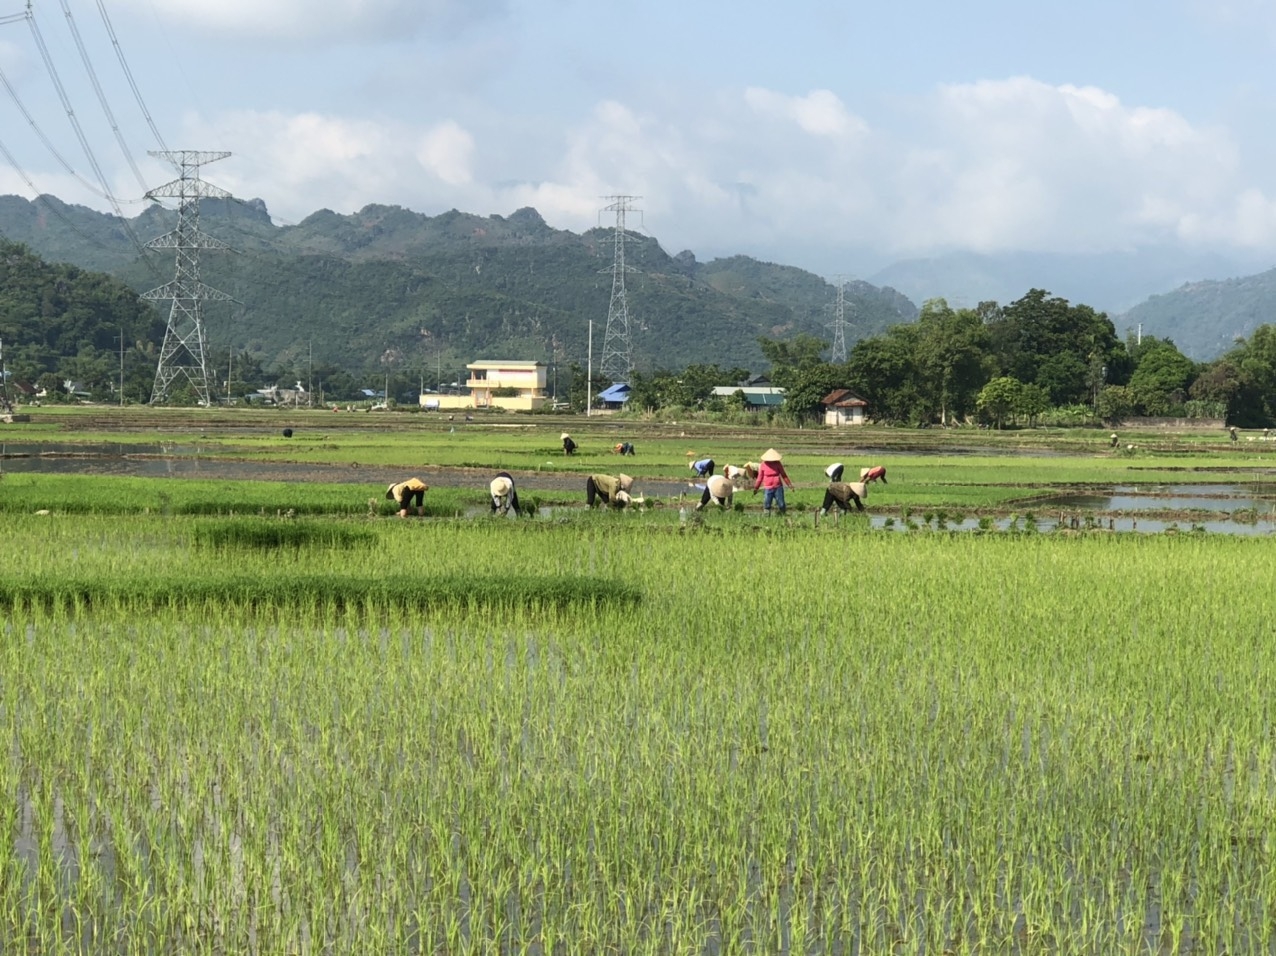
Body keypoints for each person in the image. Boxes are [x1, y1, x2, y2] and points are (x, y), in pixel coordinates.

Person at [752, 448, 793, 516]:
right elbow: (760, 478)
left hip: (778, 487)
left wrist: (790, 485)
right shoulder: (763, 465)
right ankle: (766, 517)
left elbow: (784, 475)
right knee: (767, 504)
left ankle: (783, 515)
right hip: (768, 488)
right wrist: (756, 488)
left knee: (781, 504)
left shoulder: (778, 464)